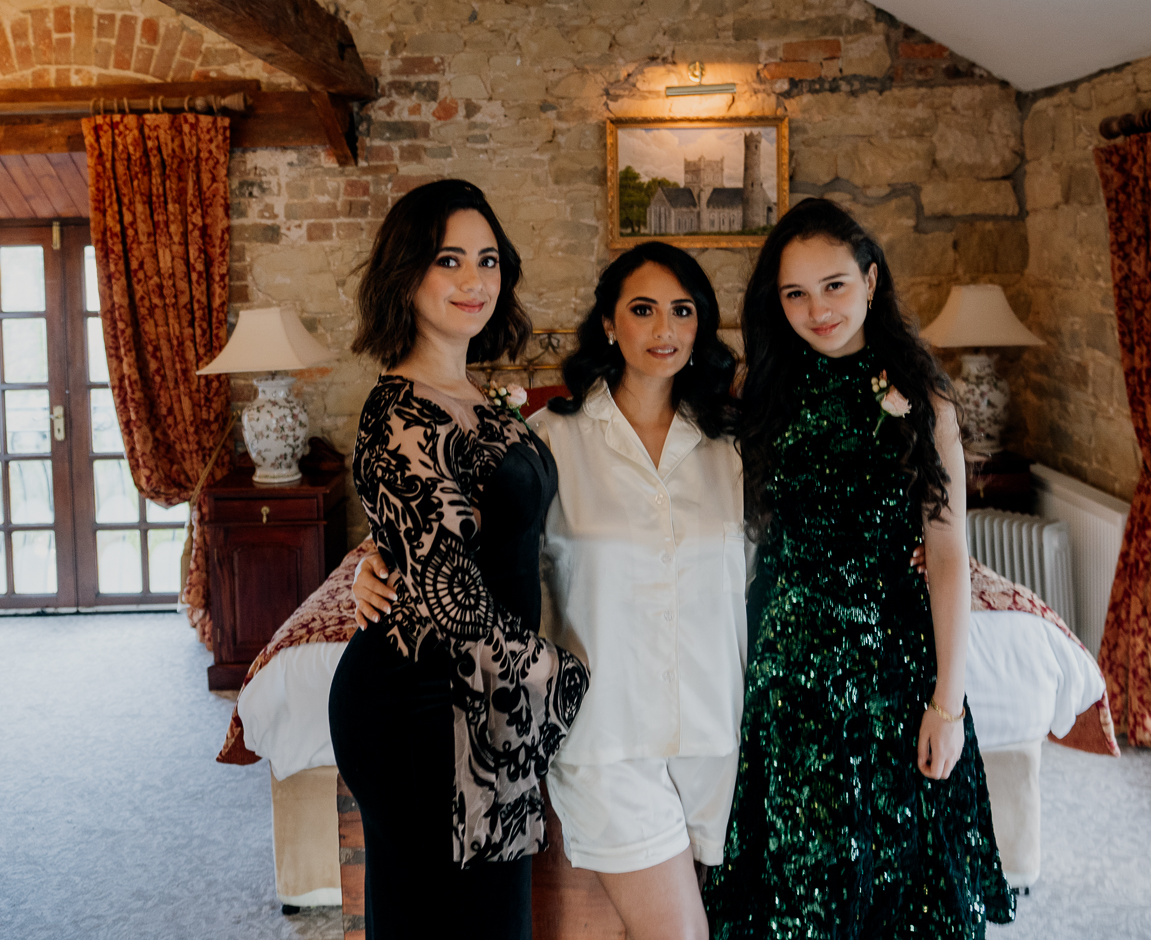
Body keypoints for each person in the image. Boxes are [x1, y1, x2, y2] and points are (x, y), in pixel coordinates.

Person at [357, 241, 747, 940]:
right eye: (643, 309)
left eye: (683, 312)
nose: (664, 329)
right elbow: (454, 532)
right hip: (606, 735)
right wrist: (373, 558)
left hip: (714, 732)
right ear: (607, 324)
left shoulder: (733, 447)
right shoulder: (548, 439)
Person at [703, 197, 1014, 938]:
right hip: (788, 662)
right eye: (795, 294)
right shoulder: (762, 390)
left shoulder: (924, 400)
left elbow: (947, 552)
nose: (818, 310)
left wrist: (949, 702)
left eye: (834, 285)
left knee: (898, 870)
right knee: (805, 872)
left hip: (892, 662)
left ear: (871, 280)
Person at [327, 179, 589, 940]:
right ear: (407, 275)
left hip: (480, 691)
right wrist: (578, 685)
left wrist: (380, 552)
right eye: (450, 261)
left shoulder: (473, 396)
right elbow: (453, 597)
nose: (475, 281)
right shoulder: (400, 407)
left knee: (492, 922)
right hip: (420, 704)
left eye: (487, 260)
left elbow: (451, 529)